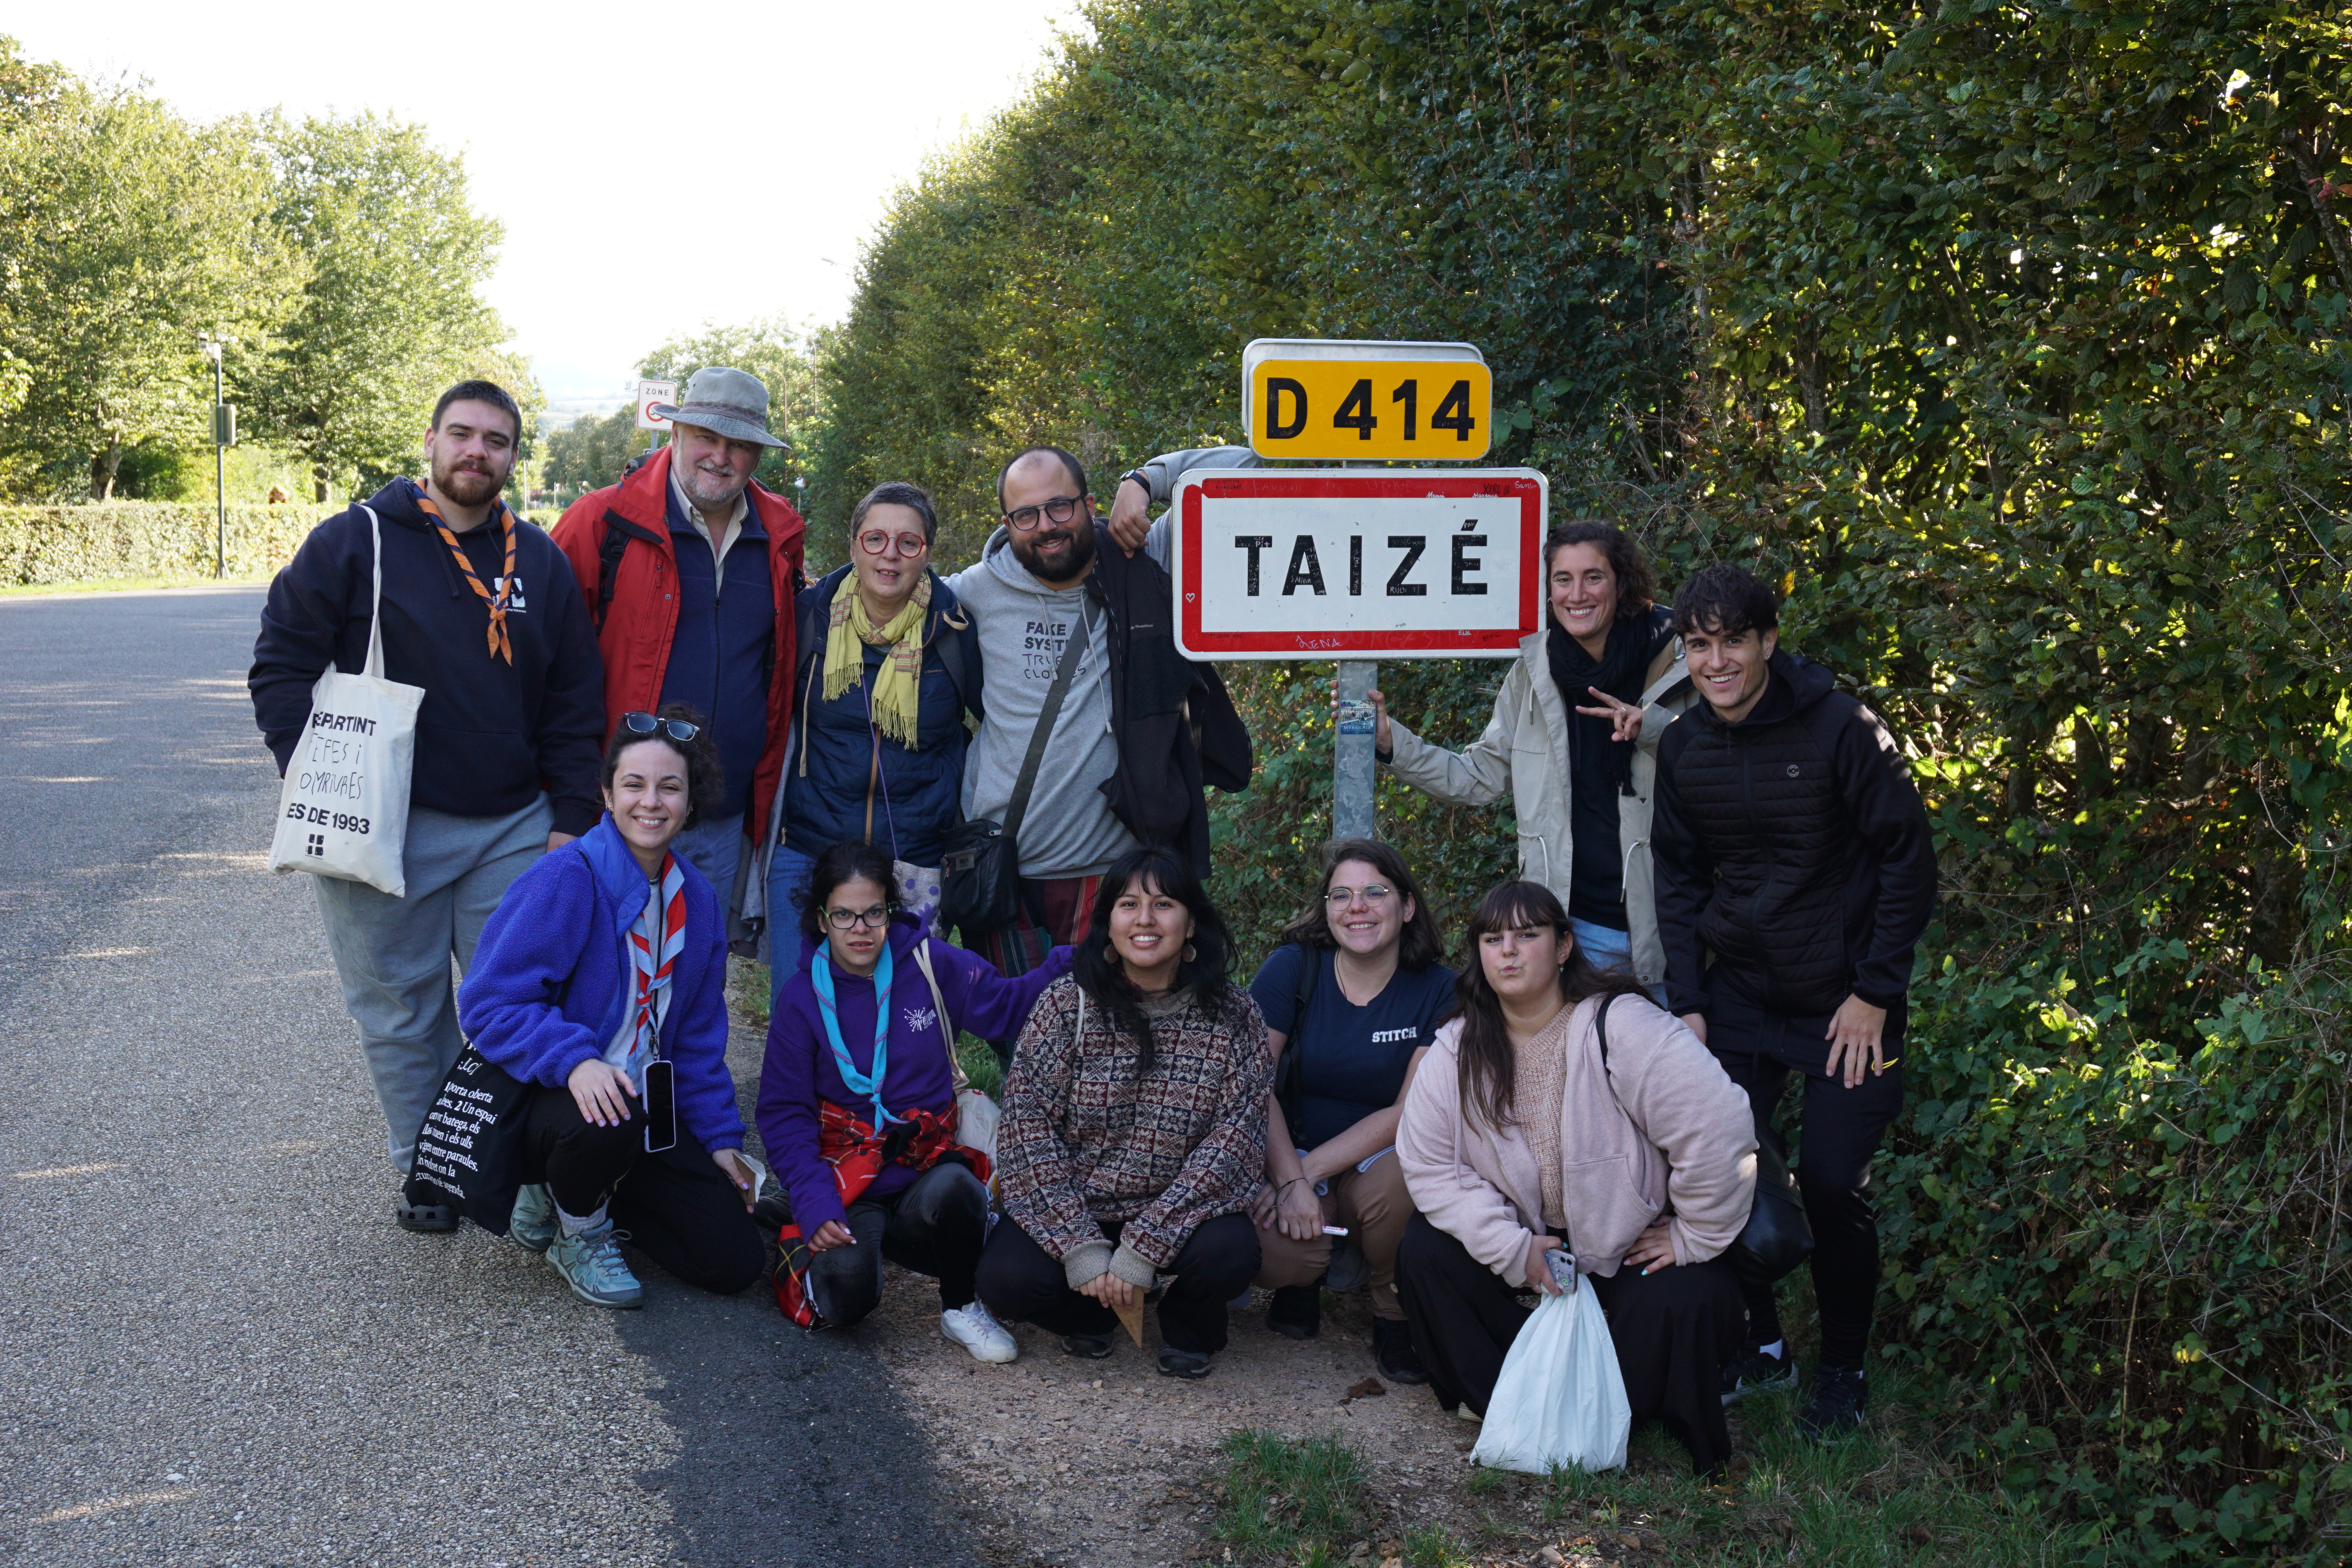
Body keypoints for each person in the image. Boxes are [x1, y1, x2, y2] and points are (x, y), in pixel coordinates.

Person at [250, 379, 606, 1227]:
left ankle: (515, 1167)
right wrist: (318, 781)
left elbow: (573, 699)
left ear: (517, 456)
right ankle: (430, 1168)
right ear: (431, 440)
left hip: (513, 825)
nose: (476, 452)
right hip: (382, 828)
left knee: (515, 1006)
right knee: (402, 1010)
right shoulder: (356, 541)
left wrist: (568, 820)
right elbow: (280, 664)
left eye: (496, 440)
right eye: (462, 434)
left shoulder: (541, 560)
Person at [1649, 564, 1935, 1439]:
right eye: (1700, 644)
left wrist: (1874, 993)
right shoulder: (1686, 747)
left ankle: (1842, 1369)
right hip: (1737, 1000)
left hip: (1844, 1004)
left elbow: (1907, 860)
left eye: (1733, 639)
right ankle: (1763, 1348)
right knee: (1717, 1171)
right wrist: (1690, 1001)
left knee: (1830, 1182)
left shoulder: (1844, 728)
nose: (1717, 660)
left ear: (1768, 640)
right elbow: (1679, 875)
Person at [1396, 880, 1756, 1477]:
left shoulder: (1623, 1024)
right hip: (1535, 1251)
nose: (1508, 952)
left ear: (1564, 947)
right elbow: (1429, 1163)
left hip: (1630, 1247)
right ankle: (1508, 1403)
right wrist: (1514, 1250)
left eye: (1527, 935)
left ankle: (1627, 1415)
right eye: (1492, 939)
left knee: (1693, 1295)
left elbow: (1718, 1125)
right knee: (1424, 1249)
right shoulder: (1460, 1048)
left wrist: (1692, 1235)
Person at [456, 704, 766, 1308]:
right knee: (610, 1114)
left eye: (669, 787)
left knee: (733, 1260)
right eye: (634, 784)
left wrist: (722, 1139)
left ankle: (590, 1188)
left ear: (690, 802)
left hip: (637, 1107)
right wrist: (575, 1060)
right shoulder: (567, 878)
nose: (651, 802)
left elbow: (698, 1042)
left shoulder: (696, 902)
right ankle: (577, 1227)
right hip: (554, 1098)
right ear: (606, 793)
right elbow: (488, 1003)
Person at [940, 446, 1249, 984]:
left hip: (1112, 873)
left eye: (1060, 507)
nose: (1046, 527)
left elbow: (1255, 465)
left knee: (1109, 1038)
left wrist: (1144, 480)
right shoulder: (975, 592)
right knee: (1024, 1044)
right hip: (1003, 866)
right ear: (1008, 524)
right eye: (1026, 516)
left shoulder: (1146, 555)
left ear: (1088, 503)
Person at [758, 839, 1070, 1359]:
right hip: (846, 1172)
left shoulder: (928, 963)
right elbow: (784, 1114)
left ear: (891, 911)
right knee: (845, 1302)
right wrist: (817, 1205)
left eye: (873, 913)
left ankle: (961, 1306)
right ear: (821, 918)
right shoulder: (800, 999)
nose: (861, 930)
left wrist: (1079, 961)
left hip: (922, 1165)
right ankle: (805, 1218)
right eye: (844, 916)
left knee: (960, 1190)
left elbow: (1008, 1008)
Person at [977, 846, 1272, 1379]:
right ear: (1108, 924)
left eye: (1163, 905)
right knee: (1004, 1279)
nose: (1144, 919)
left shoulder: (1235, 1015)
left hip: (1181, 1213)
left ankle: (1189, 1327)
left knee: (1232, 1251)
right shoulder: (1065, 1006)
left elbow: (1233, 1143)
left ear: (1190, 924)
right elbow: (1027, 1136)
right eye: (1128, 904)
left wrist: (1147, 1244)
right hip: (1083, 1204)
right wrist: (1080, 1247)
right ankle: (1092, 1314)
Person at [1367, 521, 1690, 986]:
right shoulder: (1534, 672)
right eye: (1563, 579)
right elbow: (1478, 777)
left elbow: (1721, 762)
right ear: (1547, 590)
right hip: (1567, 937)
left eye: (1594, 577)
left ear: (1622, 582)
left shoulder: (1680, 657)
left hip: (1665, 936)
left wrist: (1653, 730)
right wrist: (1390, 742)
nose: (1577, 594)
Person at [550, 367, 807, 924]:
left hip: (717, 817)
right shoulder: (602, 522)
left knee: (692, 982)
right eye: (707, 438)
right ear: (676, 434)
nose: (720, 457)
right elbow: (541, 666)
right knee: (600, 980)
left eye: (738, 445)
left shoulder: (780, 536)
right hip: (615, 813)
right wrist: (564, 801)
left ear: (757, 455)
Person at [763, 481, 980, 1014]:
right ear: (854, 544)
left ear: (928, 552)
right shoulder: (807, 616)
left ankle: (894, 1102)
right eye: (876, 538)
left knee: (896, 1017)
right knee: (801, 1012)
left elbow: (996, 722)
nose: (890, 555)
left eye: (908, 543)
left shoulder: (954, 630)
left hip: (912, 859)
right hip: (810, 847)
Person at [1247, 838, 1454, 1384]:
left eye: (1374, 893)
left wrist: (1307, 1177)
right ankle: (1304, 1281)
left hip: (1381, 1160)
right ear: (1326, 909)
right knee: (1275, 1253)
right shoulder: (1292, 968)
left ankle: (1392, 1312)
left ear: (1407, 907)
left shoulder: (1441, 988)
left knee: (1407, 1182)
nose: (1356, 907)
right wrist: (1290, 1173)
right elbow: (1251, 1085)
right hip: (1290, 1147)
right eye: (1341, 895)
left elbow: (1412, 1109)